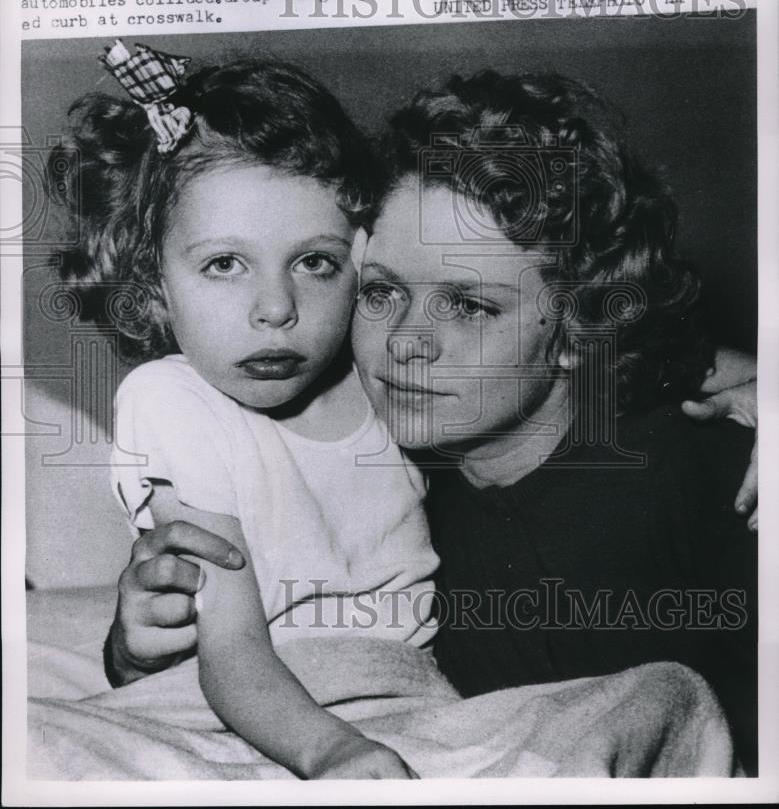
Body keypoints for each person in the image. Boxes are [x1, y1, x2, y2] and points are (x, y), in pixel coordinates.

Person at [101, 66, 759, 767]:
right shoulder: (400, 457)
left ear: (577, 329)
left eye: (469, 305)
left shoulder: (710, 478)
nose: (405, 341)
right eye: (381, 293)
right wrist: (133, 648)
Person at [50, 41, 439, 779]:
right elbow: (231, 648)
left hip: (410, 694)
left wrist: (722, 372)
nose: (275, 309)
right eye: (224, 263)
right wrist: (332, 750)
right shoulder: (170, 400)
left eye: (315, 262)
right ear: (155, 285)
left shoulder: (383, 368)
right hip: (253, 705)